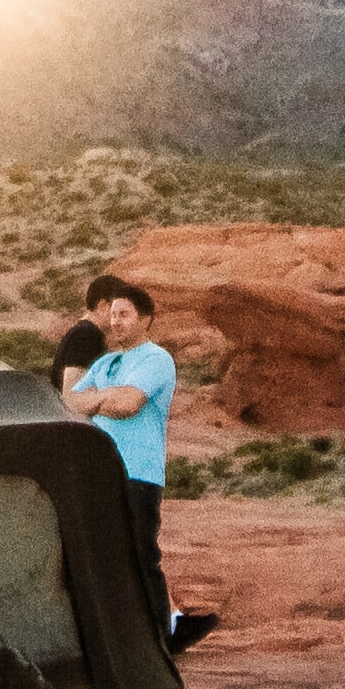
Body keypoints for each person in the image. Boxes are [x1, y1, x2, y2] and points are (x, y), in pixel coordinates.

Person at [56, 275, 213, 651]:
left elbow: (129, 405)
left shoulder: (157, 359)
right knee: (103, 555)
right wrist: (107, 397)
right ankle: (124, 638)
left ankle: (164, 636)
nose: (115, 322)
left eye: (124, 314)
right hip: (102, 472)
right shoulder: (107, 362)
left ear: (145, 319)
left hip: (138, 472)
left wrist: (98, 399)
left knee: (140, 554)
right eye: (112, 314)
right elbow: (68, 405)